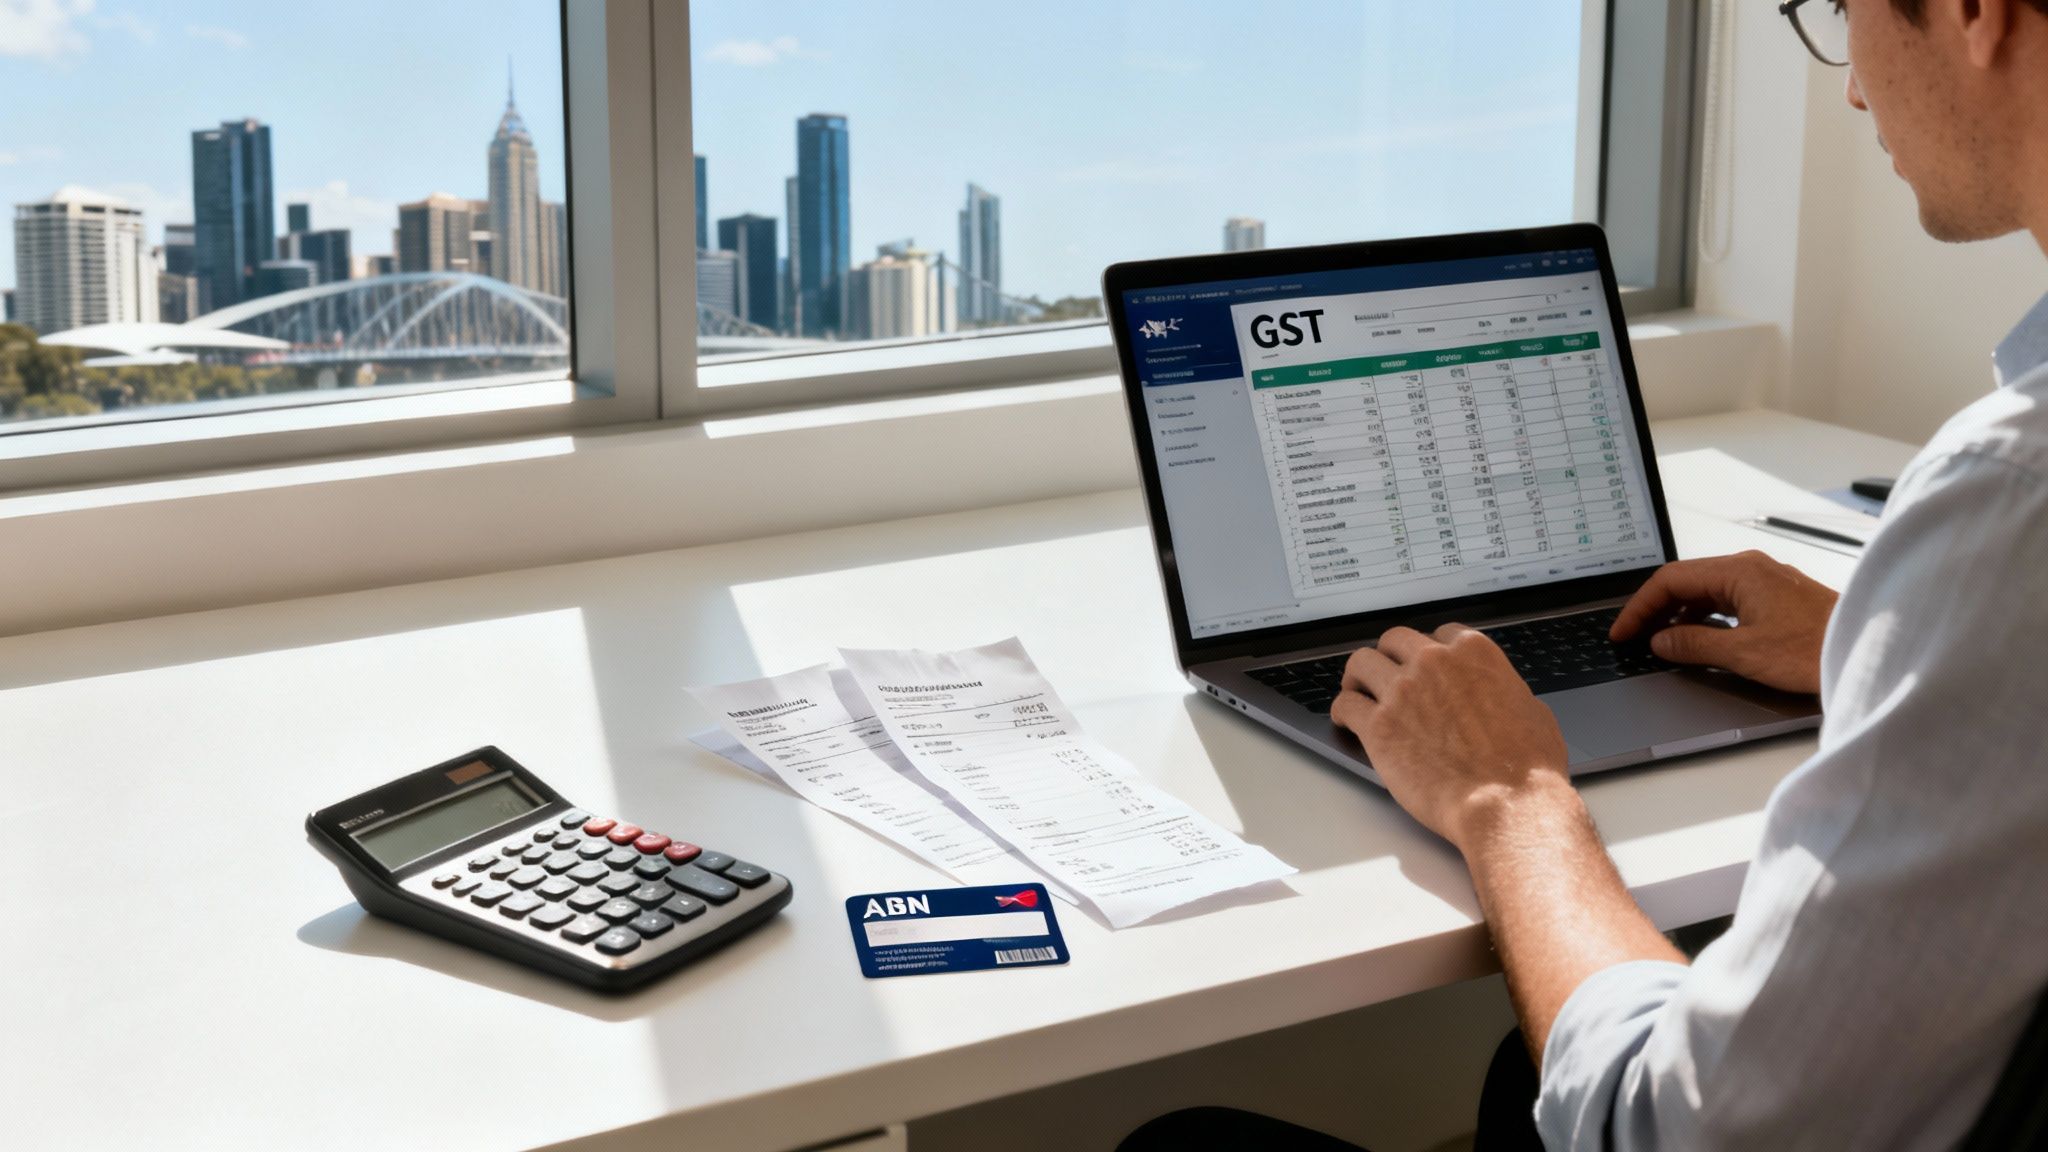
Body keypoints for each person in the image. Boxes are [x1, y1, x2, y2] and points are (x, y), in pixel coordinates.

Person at [1122, 0, 2048, 1146]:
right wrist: (1890, 642)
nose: (1851, 85)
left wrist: (1505, 796)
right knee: (1515, 1080)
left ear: (1970, 13)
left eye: (1842, 11)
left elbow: (1669, 1129)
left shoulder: (2010, 493)